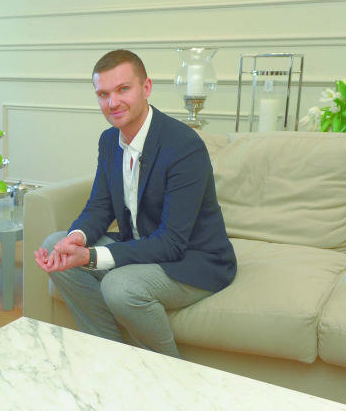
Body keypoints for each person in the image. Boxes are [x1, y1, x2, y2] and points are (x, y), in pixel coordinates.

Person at [34, 49, 236, 358]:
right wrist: (76, 240)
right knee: (55, 245)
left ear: (146, 88)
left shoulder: (184, 146)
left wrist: (90, 256)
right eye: (103, 94)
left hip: (193, 259)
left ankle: (170, 373)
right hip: (142, 247)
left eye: (123, 89)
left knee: (119, 287)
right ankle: (109, 356)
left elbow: (171, 243)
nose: (112, 102)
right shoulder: (109, 141)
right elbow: (100, 207)